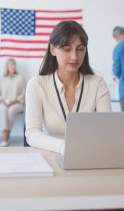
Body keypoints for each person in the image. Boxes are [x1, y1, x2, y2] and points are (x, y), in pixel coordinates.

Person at [25, 21, 112, 155]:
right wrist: (64, 148)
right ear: (53, 49)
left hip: (90, 156)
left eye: (80, 49)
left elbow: (107, 130)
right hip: (53, 157)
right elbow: (32, 133)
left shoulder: (98, 83)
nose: (74, 56)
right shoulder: (37, 84)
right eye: (67, 49)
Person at [0, 58, 25, 147]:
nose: (14, 66)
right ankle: (6, 138)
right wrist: (4, 101)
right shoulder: (1, 79)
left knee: (11, 110)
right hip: (4, 103)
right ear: (7, 67)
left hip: (17, 103)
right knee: (3, 109)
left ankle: (6, 138)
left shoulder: (20, 78)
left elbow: (23, 93)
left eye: (14, 64)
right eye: (11, 64)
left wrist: (14, 101)